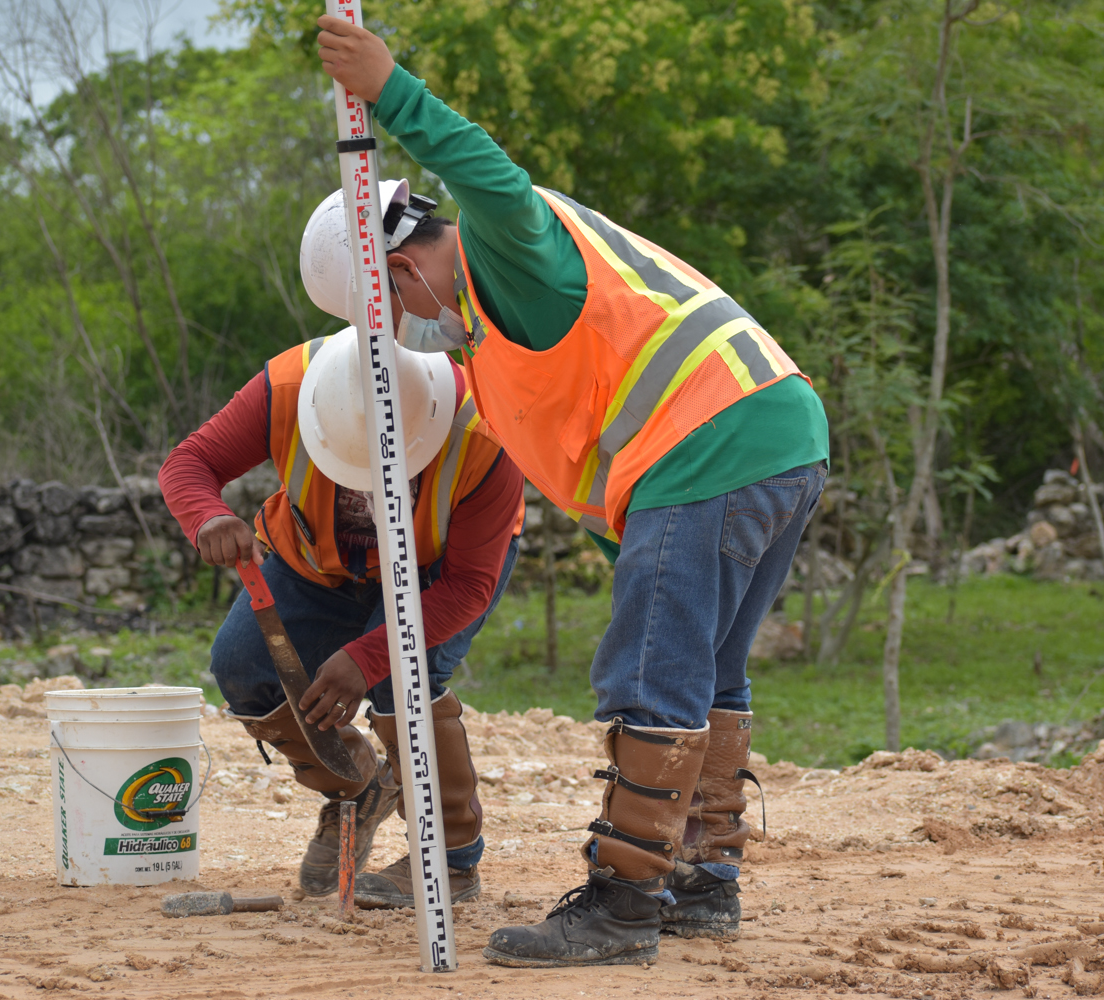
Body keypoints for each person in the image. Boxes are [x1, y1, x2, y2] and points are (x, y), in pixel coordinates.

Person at [305, 17, 829, 967]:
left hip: (712, 444)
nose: (405, 326)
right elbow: (597, 478)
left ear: (407, 265)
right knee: (705, 675)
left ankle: (624, 908)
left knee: (652, 679)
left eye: (390, 302)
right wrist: (638, 564)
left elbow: (488, 174)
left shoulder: (511, 252)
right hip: (774, 435)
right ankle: (703, 886)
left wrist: (390, 89)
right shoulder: (492, 355)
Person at [158, 309, 523, 909]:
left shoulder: (482, 430)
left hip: (434, 573)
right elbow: (188, 465)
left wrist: (369, 656)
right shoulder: (286, 387)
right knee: (245, 669)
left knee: (408, 681)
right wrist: (209, 517)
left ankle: (451, 862)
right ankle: (358, 788)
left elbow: (467, 587)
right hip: (314, 558)